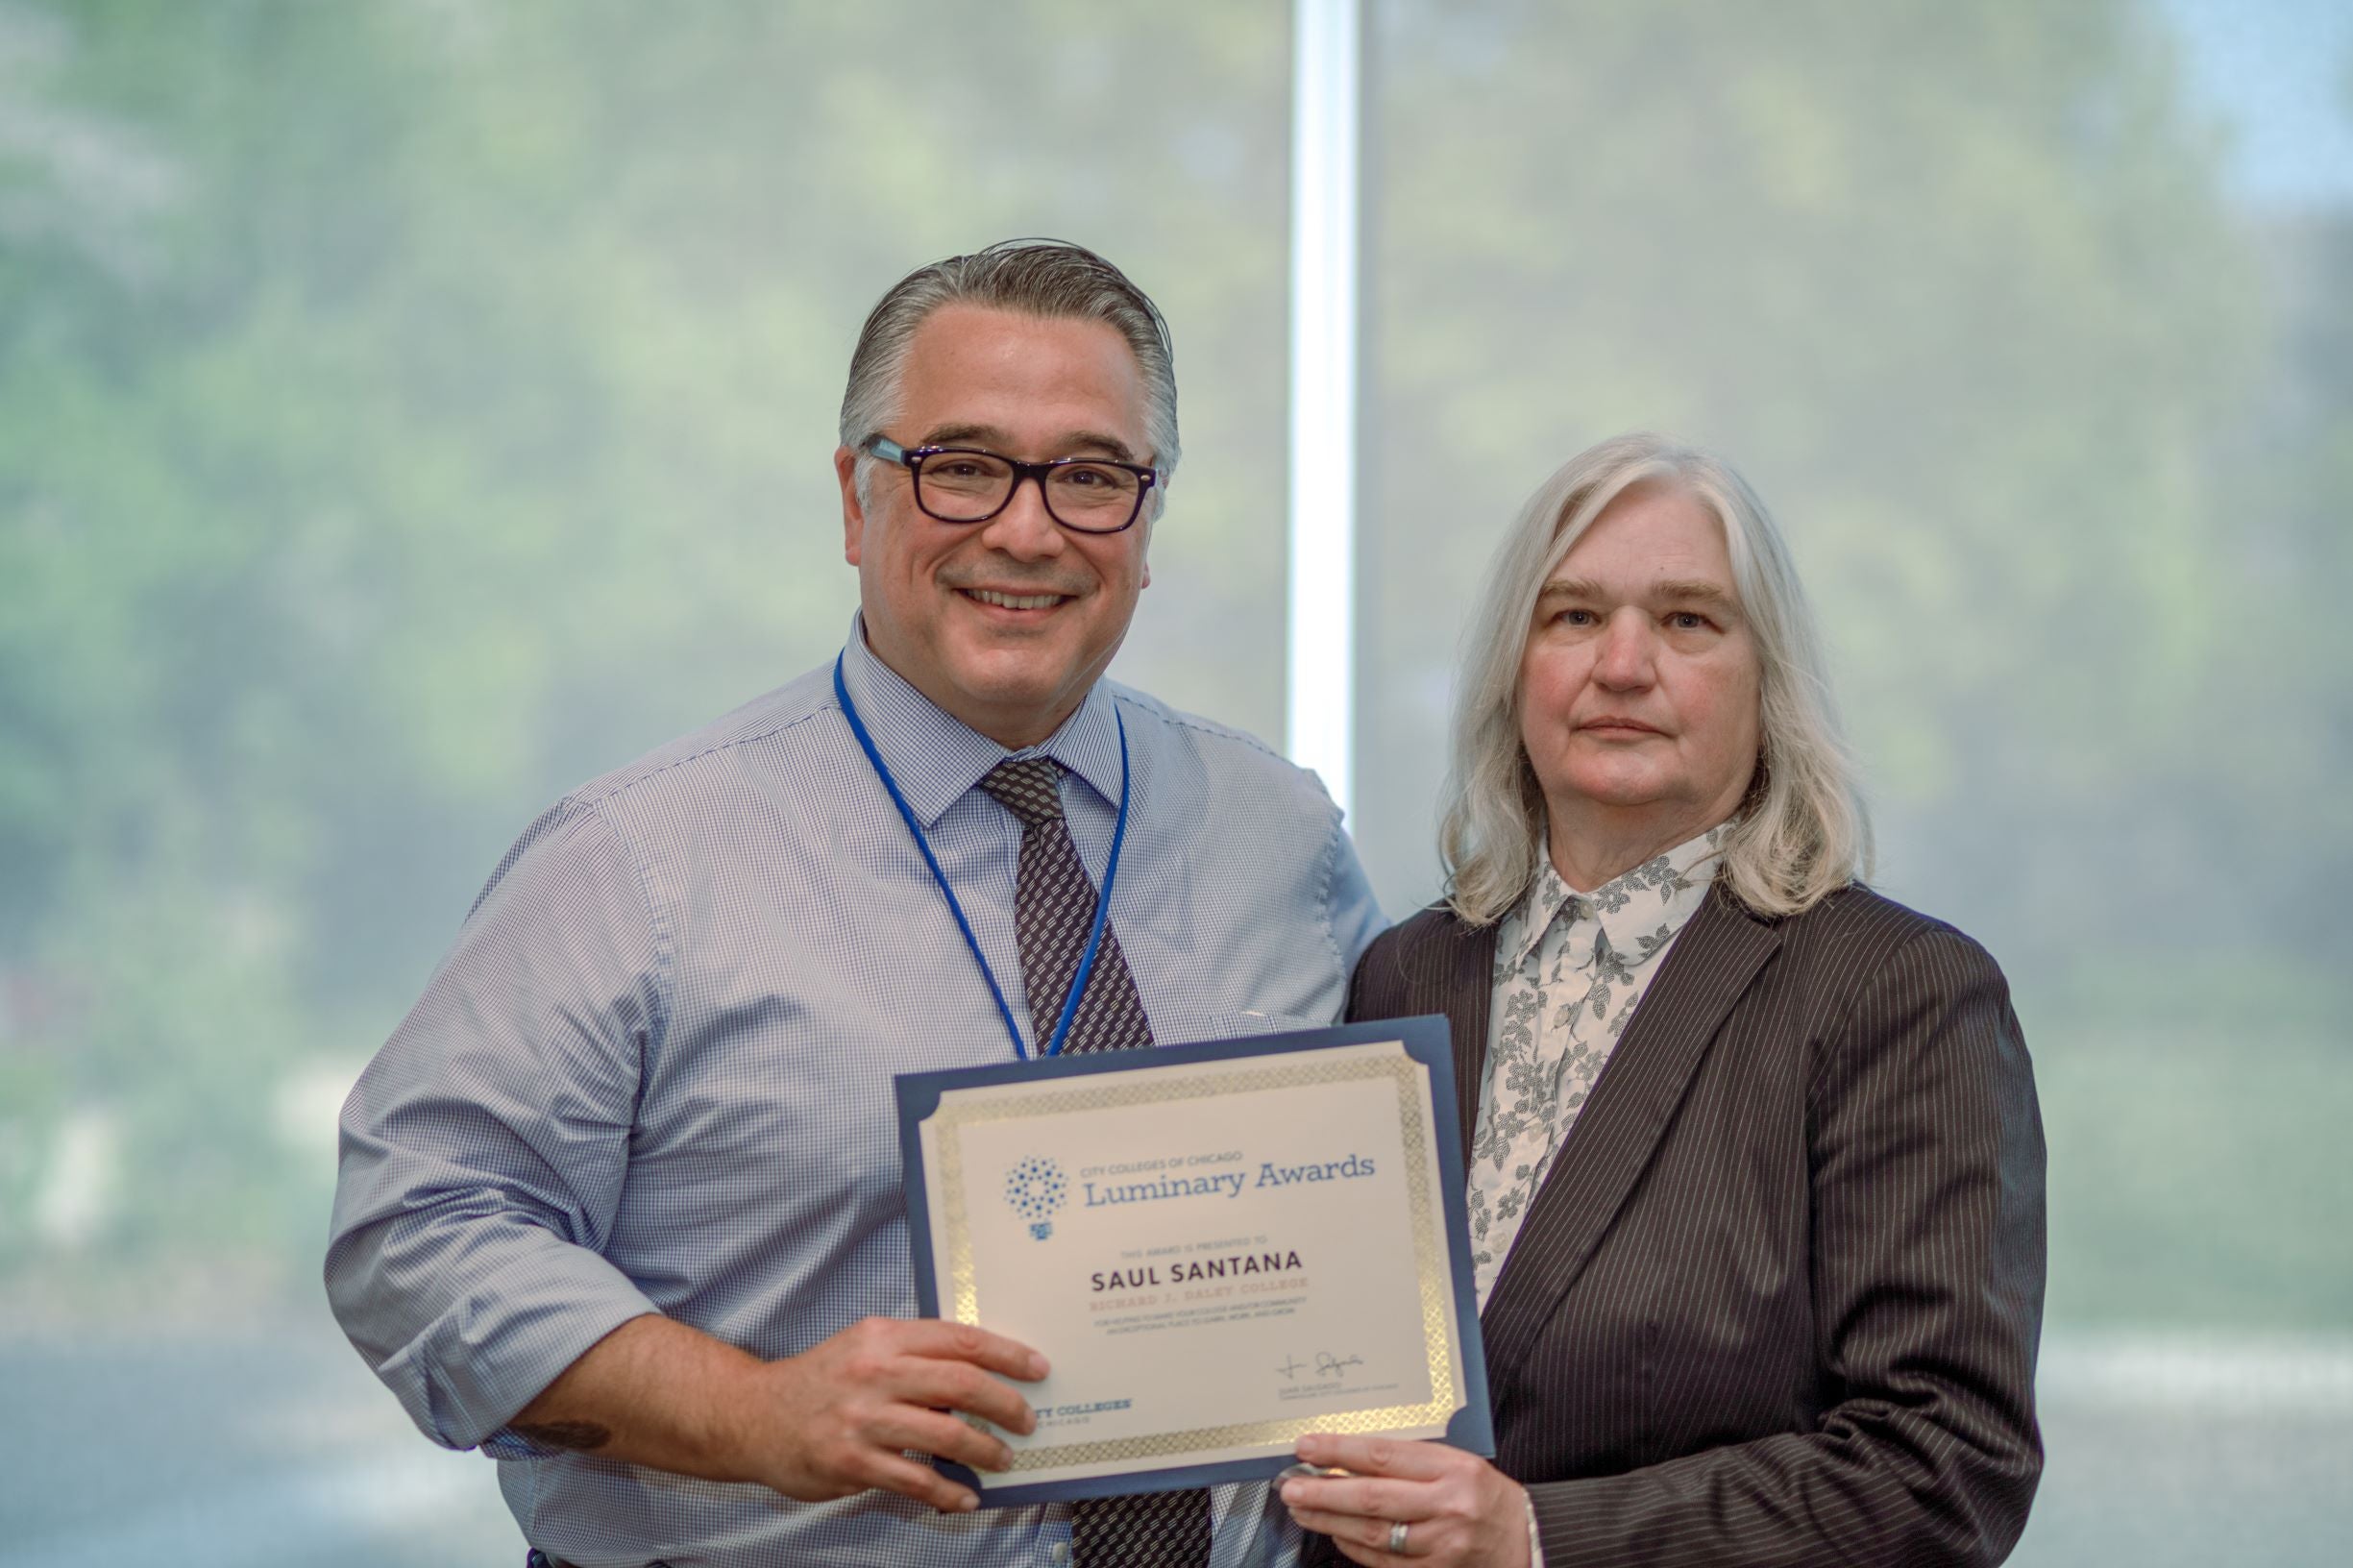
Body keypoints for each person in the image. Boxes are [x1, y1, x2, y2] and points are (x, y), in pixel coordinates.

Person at [326, 239, 1385, 1568]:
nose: (1026, 530)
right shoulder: (639, 860)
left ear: (1147, 515)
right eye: (963, 465)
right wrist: (751, 1412)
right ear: (853, 498)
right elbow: (415, 1232)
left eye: (1090, 476)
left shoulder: (1281, 839)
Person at [1280, 433, 2045, 1567]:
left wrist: (1536, 1537)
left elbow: (1940, 1466)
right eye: (1574, 615)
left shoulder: (1896, 994)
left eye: (1687, 620)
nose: (1622, 664)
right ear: (1513, 669)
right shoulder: (1408, 975)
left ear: (1767, 682)